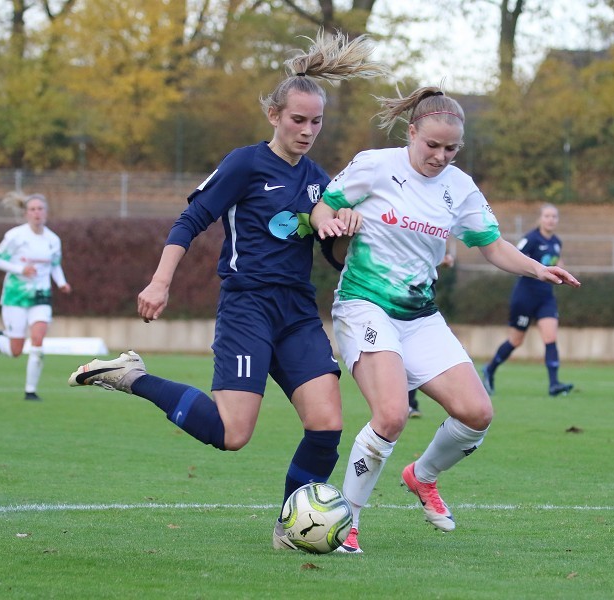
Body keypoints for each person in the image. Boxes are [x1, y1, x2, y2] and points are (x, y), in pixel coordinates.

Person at [66, 31, 387, 550]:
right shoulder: (245, 163)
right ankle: (133, 376)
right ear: (274, 116)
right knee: (233, 434)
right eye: (297, 120)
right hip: (248, 307)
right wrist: (160, 280)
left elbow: (333, 255)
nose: (307, 131)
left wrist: (344, 229)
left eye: (316, 122)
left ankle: (291, 529)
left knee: (327, 424)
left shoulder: (320, 181)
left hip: (298, 311)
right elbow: (192, 218)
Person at [311, 86, 580, 554]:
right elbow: (325, 204)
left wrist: (538, 269)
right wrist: (330, 221)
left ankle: (423, 475)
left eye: (450, 148)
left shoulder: (460, 187)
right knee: (391, 415)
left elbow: (492, 245)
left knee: (477, 413)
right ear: (411, 132)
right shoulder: (375, 164)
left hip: (420, 315)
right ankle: (346, 525)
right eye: (431, 145)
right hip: (364, 304)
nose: (440, 156)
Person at [481, 203, 574, 397]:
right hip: (525, 297)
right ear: (540, 219)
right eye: (547, 216)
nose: (551, 220)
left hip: (546, 297)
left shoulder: (557, 242)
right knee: (516, 340)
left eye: (554, 217)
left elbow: (556, 262)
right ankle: (490, 369)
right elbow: (516, 256)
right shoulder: (531, 239)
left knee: (550, 337)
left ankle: (554, 384)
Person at [0, 192, 72, 401]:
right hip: (15, 296)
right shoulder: (15, 236)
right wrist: (20, 269)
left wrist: (61, 283)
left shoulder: (53, 240)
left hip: (41, 296)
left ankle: (30, 391)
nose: (37, 213)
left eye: (40, 209)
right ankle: (0, 340)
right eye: (33, 209)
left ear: (46, 213)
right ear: (26, 213)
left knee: (38, 339)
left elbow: (54, 266)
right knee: (16, 350)